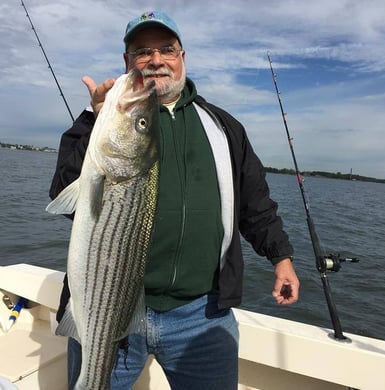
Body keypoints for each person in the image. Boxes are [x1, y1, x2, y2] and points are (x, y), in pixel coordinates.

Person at [49, 10, 300, 390]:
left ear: (183, 56)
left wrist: (281, 256)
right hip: (110, 303)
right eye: (142, 52)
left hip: (202, 313)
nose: (155, 60)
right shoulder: (105, 122)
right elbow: (63, 190)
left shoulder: (224, 128)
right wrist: (92, 119)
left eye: (167, 49)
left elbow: (256, 202)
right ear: (127, 62)